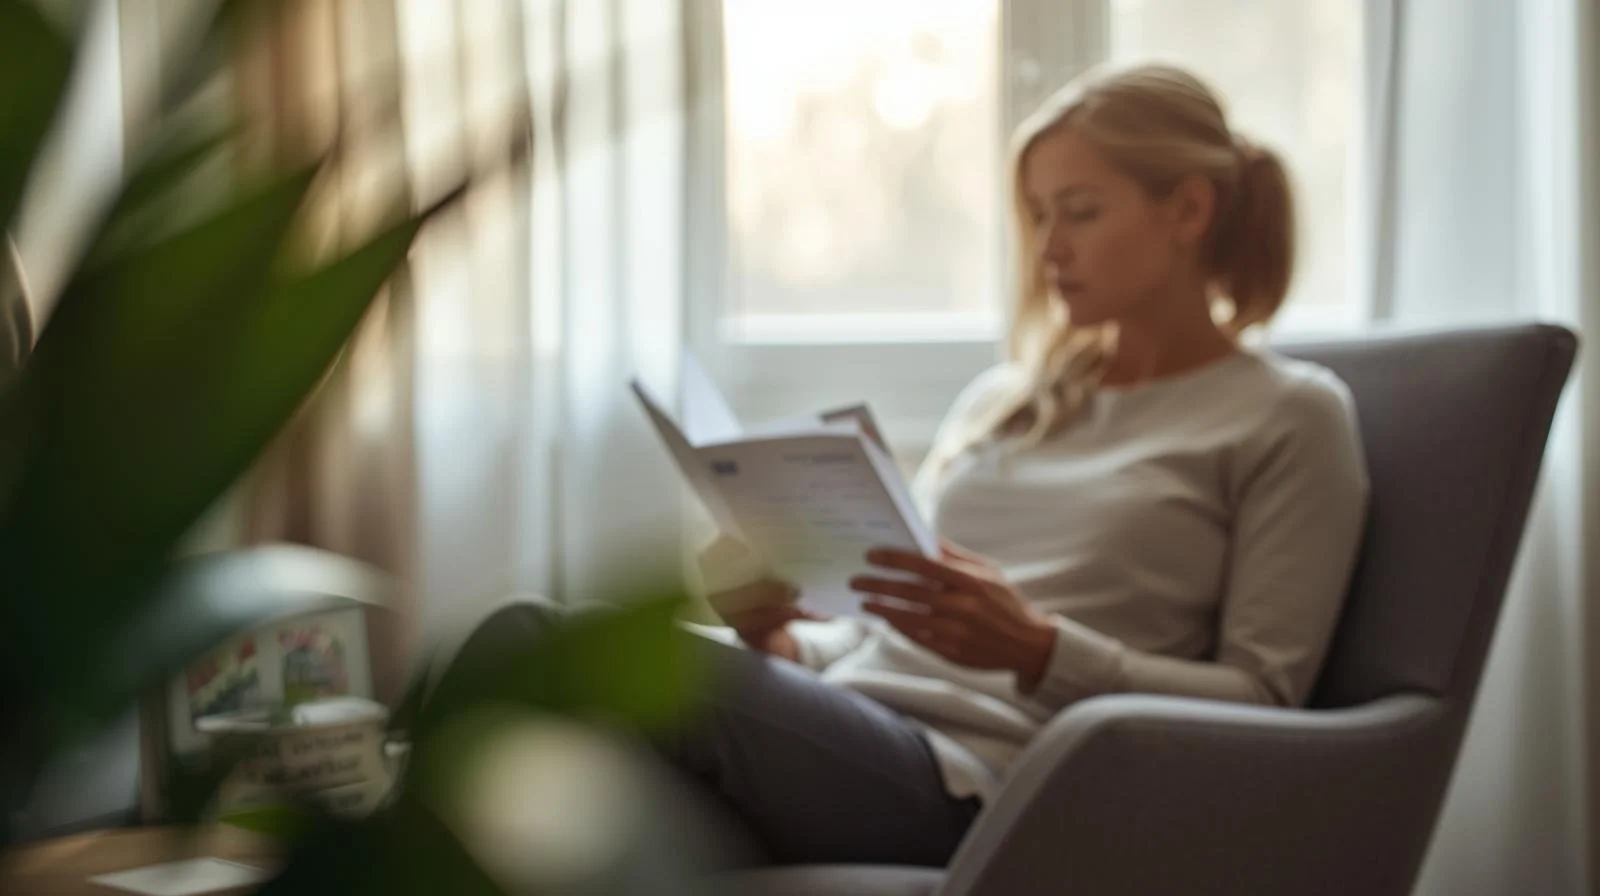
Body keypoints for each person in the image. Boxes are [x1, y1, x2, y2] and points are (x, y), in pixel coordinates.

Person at [450, 62, 1370, 871]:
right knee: (541, 756)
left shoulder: (1289, 415)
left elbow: (1266, 699)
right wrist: (776, 640)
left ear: (1190, 210)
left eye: (1081, 213)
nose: (1049, 250)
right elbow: (871, 637)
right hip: (849, 732)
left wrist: (1042, 651)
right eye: (1039, 215)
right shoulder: (1006, 399)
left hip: (985, 780)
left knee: (536, 647)